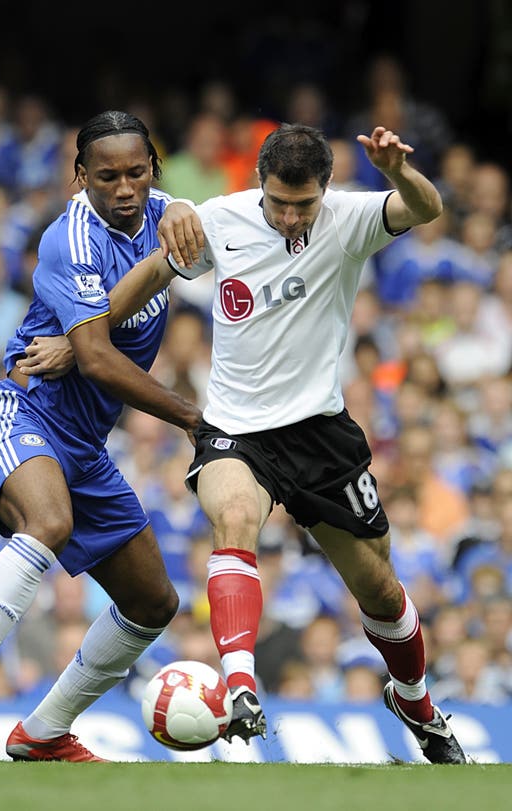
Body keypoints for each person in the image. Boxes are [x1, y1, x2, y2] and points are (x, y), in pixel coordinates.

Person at [114, 122, 467, 761]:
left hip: (320, 433)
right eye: (278, 202)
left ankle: (415, 700)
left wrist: (396, 170)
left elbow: (426, 206)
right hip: (236, 428)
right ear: (259, 185)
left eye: (304, 204)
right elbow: (152, 276)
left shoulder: (350, 217)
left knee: (381, 591)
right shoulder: (218, 221)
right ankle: (241, 684)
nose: (289, 216)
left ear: (325, 192)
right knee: (235, 517)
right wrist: (87, 332)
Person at [0, 110, 202, 762]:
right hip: (25, 411)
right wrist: (192, 417)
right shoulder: (69, 237)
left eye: (136, 172)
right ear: (81, 177)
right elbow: (96, 356)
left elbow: (217, 229)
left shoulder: (169, 213)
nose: (124, 187)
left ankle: (43, 731)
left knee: (153, 600)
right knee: (48, 520)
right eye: (107, 176)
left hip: (87, 445)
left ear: (153, 169)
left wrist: (183, 204)